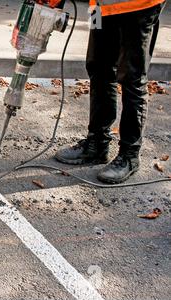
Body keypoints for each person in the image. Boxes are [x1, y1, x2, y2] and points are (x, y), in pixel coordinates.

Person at [55, 0, 166, 184]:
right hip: (100, 8)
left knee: (132, 78)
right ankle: (97, 143)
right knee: (98, 68)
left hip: (140, 7)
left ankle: (129, 156)